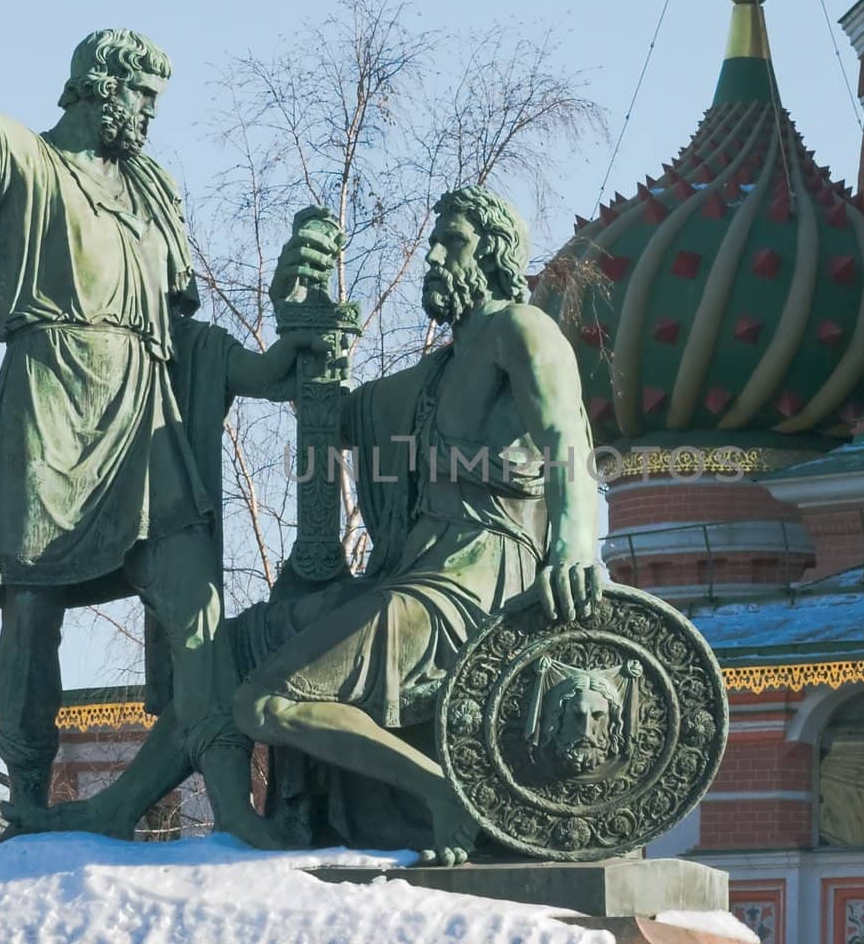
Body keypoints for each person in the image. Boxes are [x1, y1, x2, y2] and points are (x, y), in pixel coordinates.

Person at [0, 0, 309, 826]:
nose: (149, 115)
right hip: (51, 406)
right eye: (141, 96)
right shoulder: (27, 168)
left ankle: (230, 805)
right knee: (33, 611)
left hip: (142, 417)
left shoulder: (151, 192)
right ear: (100, 88)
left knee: (193, 599)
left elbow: (187, 334)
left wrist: (271, 365)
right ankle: (28, 799)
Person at [231, 184, 604, 863]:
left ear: (491, 255)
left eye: (450, 241)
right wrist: (298, 318)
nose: (431, 255)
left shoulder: (521, 331)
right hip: (416, 577)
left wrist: (576, 545)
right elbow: (330, 415)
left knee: (265, 701)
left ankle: (443, 795)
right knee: (241, 645)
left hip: (475, 587)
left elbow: (565, 436)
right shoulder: (438, 370)